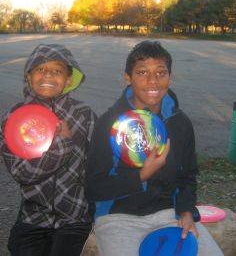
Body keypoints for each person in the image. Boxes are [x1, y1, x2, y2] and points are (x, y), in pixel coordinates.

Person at [85, 40, 223, 255]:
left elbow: (187, 175)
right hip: (117, 218)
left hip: (170, 214)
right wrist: (141, 176)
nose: (152, 81)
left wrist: (186, 210)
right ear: (127, 78)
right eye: (141, 72)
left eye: (161, 72)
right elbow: (93, 187)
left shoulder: (179, 122)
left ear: (170, 77)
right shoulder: (110, 123)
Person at [0, 44, 97, 256]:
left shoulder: (84, 115)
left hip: (75, 217)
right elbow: (22, 173)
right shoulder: (15, 119)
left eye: (57, 71)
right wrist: (62, 145)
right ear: (28, 76)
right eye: (40, 69)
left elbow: (98, 164)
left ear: (69, 80)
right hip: (33, 216)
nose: (48, 75)